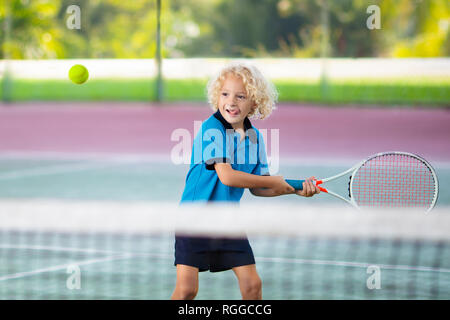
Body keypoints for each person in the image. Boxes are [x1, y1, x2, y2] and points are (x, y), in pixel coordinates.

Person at [171, 63, 320, 300]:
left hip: (229, 222)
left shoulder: (255, 137)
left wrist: (295, 188)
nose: (231, 102)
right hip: (194, 218)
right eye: (225, 94)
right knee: (187, 290)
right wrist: (276, 181)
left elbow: (259, 187)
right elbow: (227, 176)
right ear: (216, 96)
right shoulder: (212, 130)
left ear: (255, 102)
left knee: (252, 286)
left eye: (241, 96)